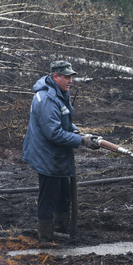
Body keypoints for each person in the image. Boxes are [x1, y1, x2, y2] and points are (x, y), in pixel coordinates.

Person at [22, 61, 100, 242]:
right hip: (46, 156)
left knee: (64, 195)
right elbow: (54, 134)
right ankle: (46, 239)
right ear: (55, 77)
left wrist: (78, 132)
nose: (70, 80)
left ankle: (62, 232)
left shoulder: (60, 92)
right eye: (66, 77)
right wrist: (81, 140)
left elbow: (64, 120)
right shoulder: (46, 99)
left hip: (58, 155)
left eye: (71, 76)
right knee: (48, 198)